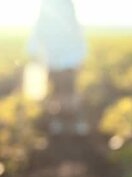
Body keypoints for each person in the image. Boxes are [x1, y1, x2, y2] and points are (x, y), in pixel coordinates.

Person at [25, 0, 88, 135]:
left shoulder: (67, 6)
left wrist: (81, 54)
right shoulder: (48, 5)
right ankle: (58, 121)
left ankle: (72, 121)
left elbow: (76, 31)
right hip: (54, 58)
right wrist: (33, 50)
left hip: (69, 59)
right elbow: (40, 29)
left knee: (69, 91)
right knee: (57, 91)